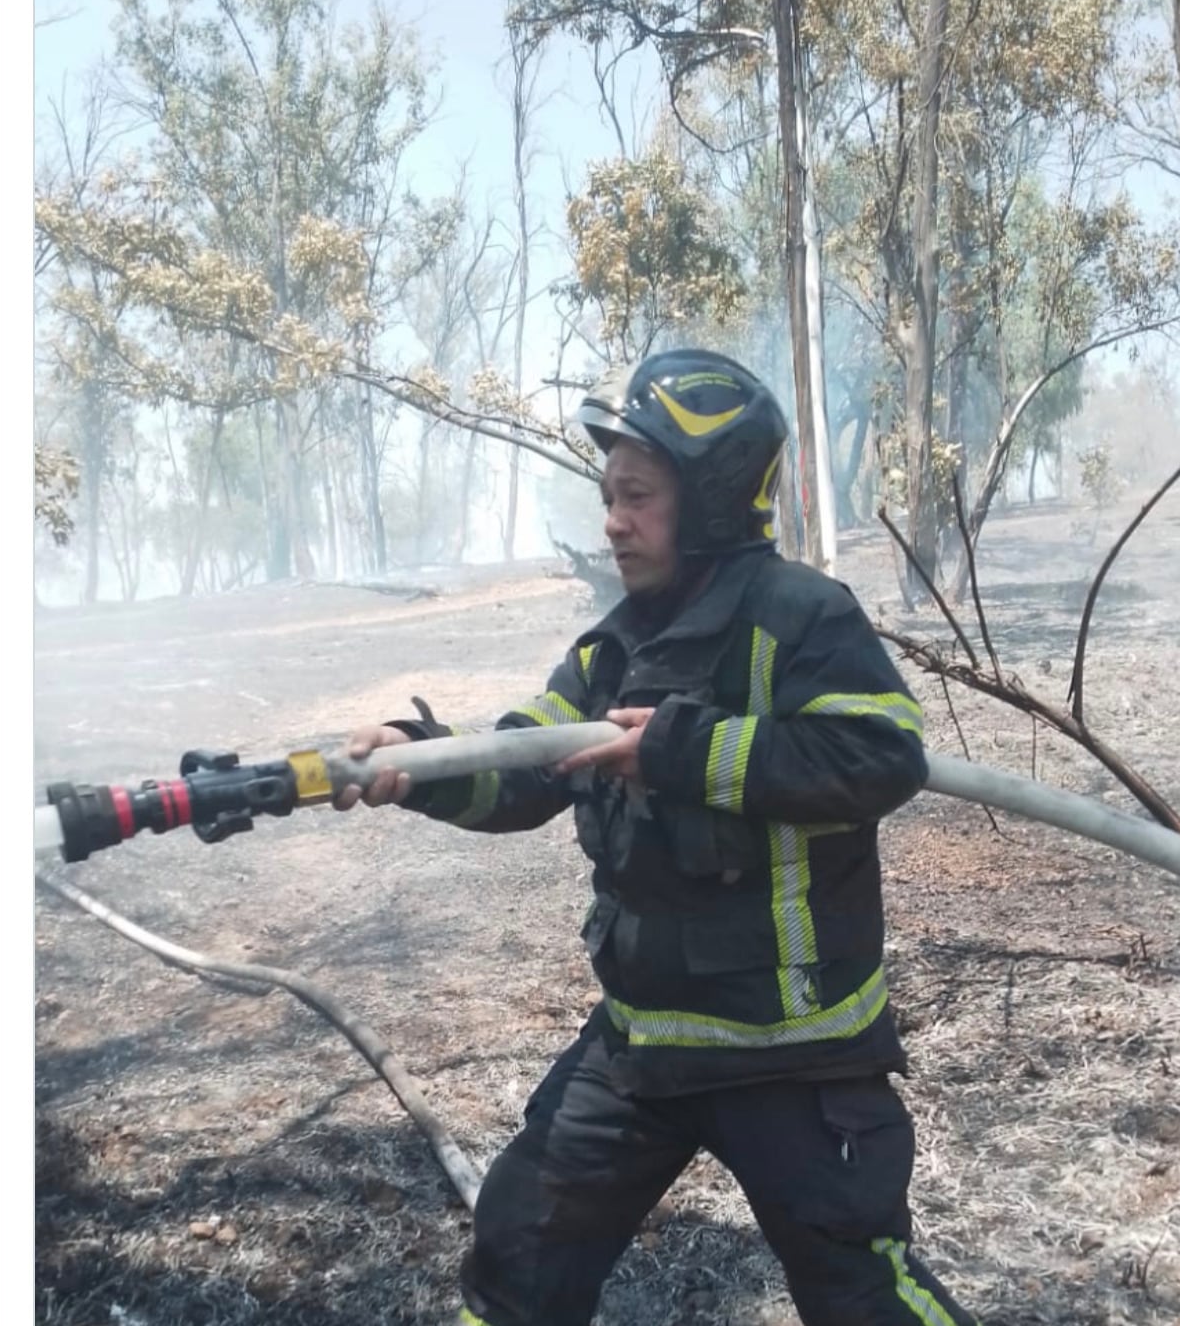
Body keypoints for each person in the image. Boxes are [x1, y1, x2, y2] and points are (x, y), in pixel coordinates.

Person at [337, 350, 980, 1326]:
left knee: (859, 1293)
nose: (612, 519)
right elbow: (524, 767)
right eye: (608, 494)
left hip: (793, 1055)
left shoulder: (800, 617)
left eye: (636, 494)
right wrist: (419, 761)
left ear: (715, 498)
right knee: (519, 1247)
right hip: (642, 1045)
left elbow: (876, 755)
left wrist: (685, 749)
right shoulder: (611, 647)